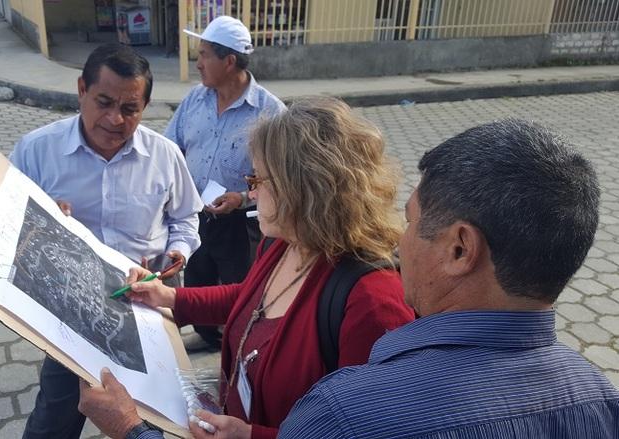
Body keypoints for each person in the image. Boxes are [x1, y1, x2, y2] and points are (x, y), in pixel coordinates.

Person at [77, 97, 416, 439]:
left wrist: (253, 436)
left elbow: (367, 431)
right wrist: (170, 297)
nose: (250, 194)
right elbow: (252, 298)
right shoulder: (287, 240)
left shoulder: (373, 301)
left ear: (303, 190)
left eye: (257, 181)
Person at [278, 119, 619, 438]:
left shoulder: (343, 416)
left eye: (410, 221)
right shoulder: (602, 402)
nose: (400, 240)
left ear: (459, 250)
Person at [11, 43, 203, 439]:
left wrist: (176, 256)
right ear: (81, 89)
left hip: (146, 308)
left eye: (130, 109)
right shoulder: (36, 151)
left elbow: (186, 218)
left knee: (150, 419)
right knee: (55, 416)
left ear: (145, 107)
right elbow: (6, 224)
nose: (115, 119)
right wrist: (40, 224)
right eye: (104, 102)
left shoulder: (165, 156)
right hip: (70, 309)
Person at [166, 15, 286, 351]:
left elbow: (280, 177)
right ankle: (208, 336)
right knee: (198, 277)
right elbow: (171, 144)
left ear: (229, 61)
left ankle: (240, 343)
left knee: (239, 286)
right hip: (193, 213)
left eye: (204, 54)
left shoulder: (270, 113)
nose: (198, 62)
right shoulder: (195, 99)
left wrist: (242, 197)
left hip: (238, 222)